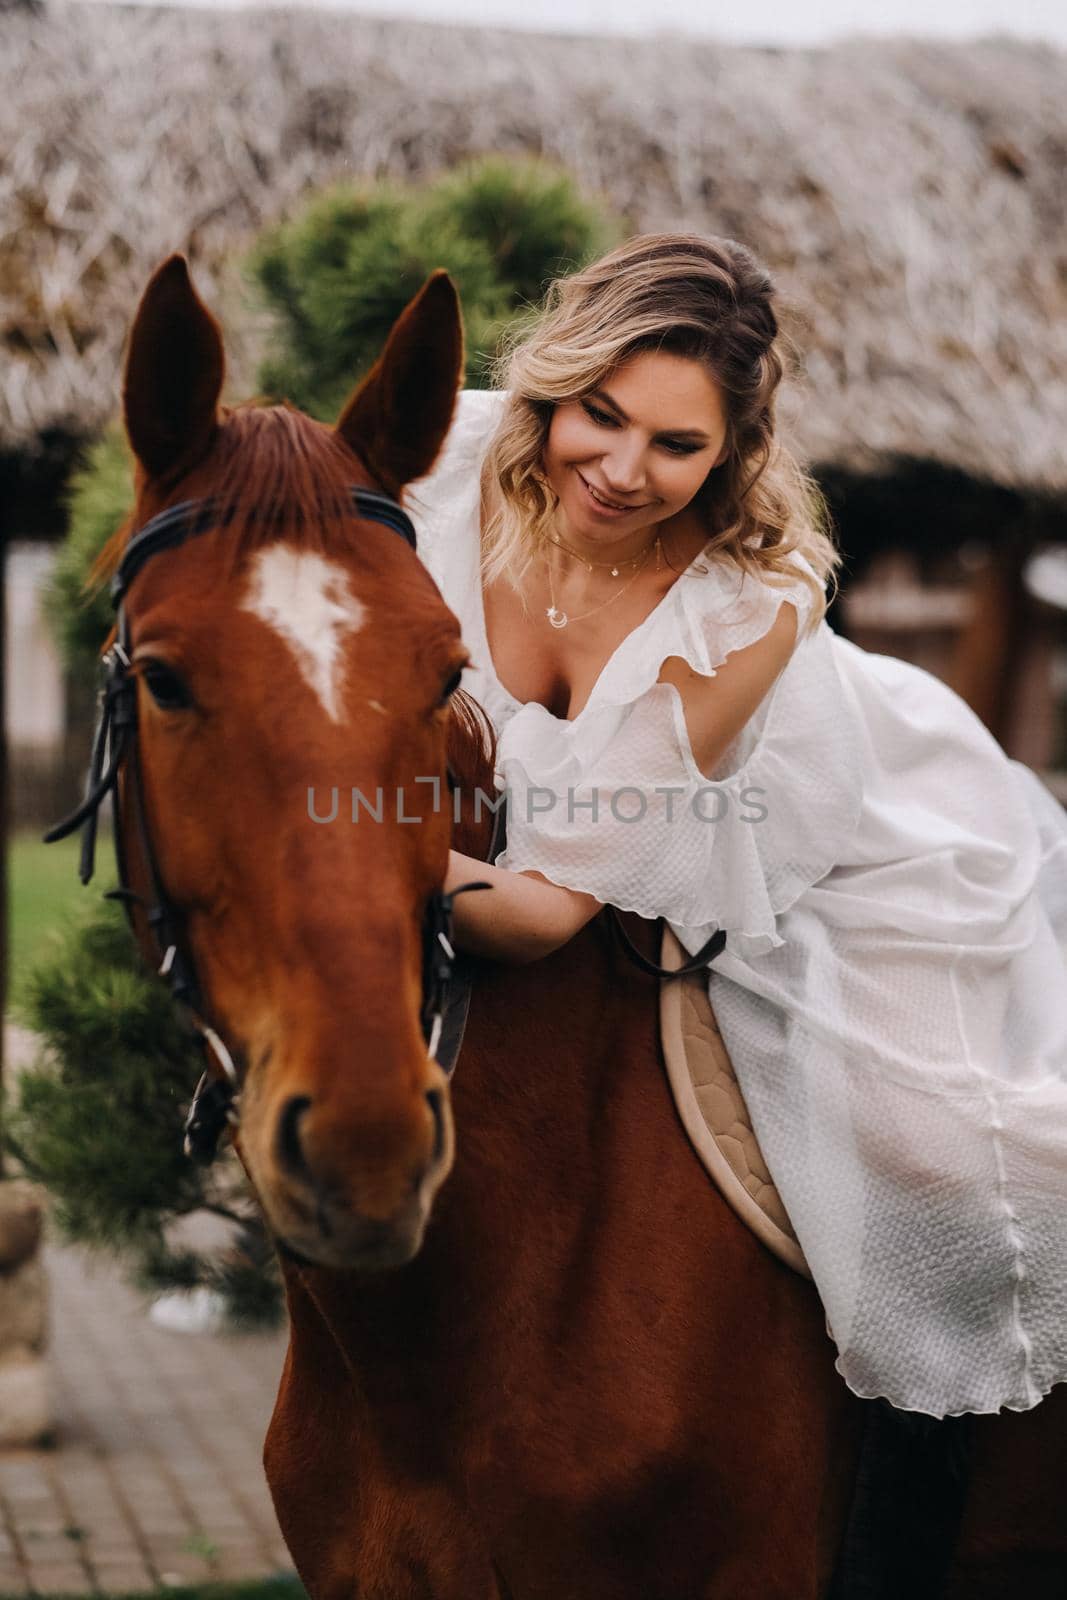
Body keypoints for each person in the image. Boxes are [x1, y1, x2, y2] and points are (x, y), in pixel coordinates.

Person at [406, 232, 1067, 1421]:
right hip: (547, 829)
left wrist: (324, 851)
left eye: (675, 445)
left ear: (730, 455)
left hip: (845, 840)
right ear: (552, 390)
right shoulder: (445, 462)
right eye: (598, 415)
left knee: (944, 1159)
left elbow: (547, 909)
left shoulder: (747, 608)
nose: (617, 468)